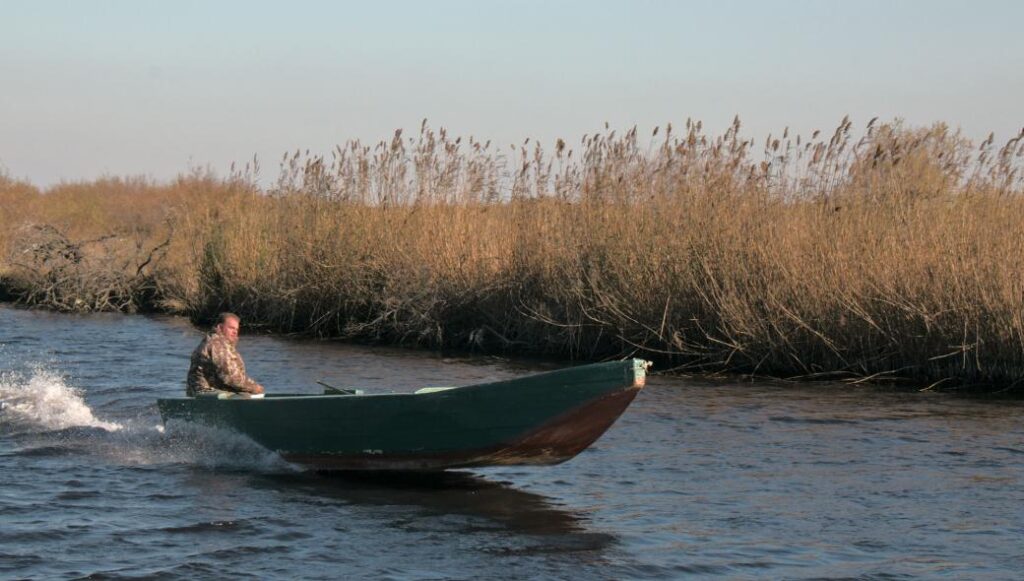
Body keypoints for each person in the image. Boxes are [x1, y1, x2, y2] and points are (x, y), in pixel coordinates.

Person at [186, 312, 265, 397]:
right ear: (220, 327)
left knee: (246, 395)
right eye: (231, 328)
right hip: (206, 394)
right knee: (248, 395)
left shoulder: (221, 344)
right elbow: (230, 378)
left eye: (236, 329)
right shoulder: (216, 344)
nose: (235, 332)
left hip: (213, 393)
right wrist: (255, 387)